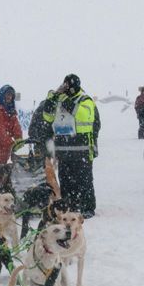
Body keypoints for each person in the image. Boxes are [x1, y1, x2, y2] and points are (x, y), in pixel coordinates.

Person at [42, 74, 101, 217]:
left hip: (82, 148)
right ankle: (69, 205)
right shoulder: (60, 99)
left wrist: (65, 100)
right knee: (66, 180)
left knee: (84, 180)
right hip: (63, 149)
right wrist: (52, 99)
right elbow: (47, 117)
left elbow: (83, 115)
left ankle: (87, 207)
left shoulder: (85, 100)